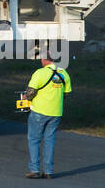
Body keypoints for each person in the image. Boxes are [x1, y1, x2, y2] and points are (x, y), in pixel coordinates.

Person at [24, 49, 72, 179]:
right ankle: (48, 171)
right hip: (56, 112)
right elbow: (66, 94)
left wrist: (26, 100)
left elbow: (30, 93)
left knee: (34, 139)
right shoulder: (64, 73)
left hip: (39, 111)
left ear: (44, 60)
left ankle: (35, 170)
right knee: (49, 140)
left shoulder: (40, 73)